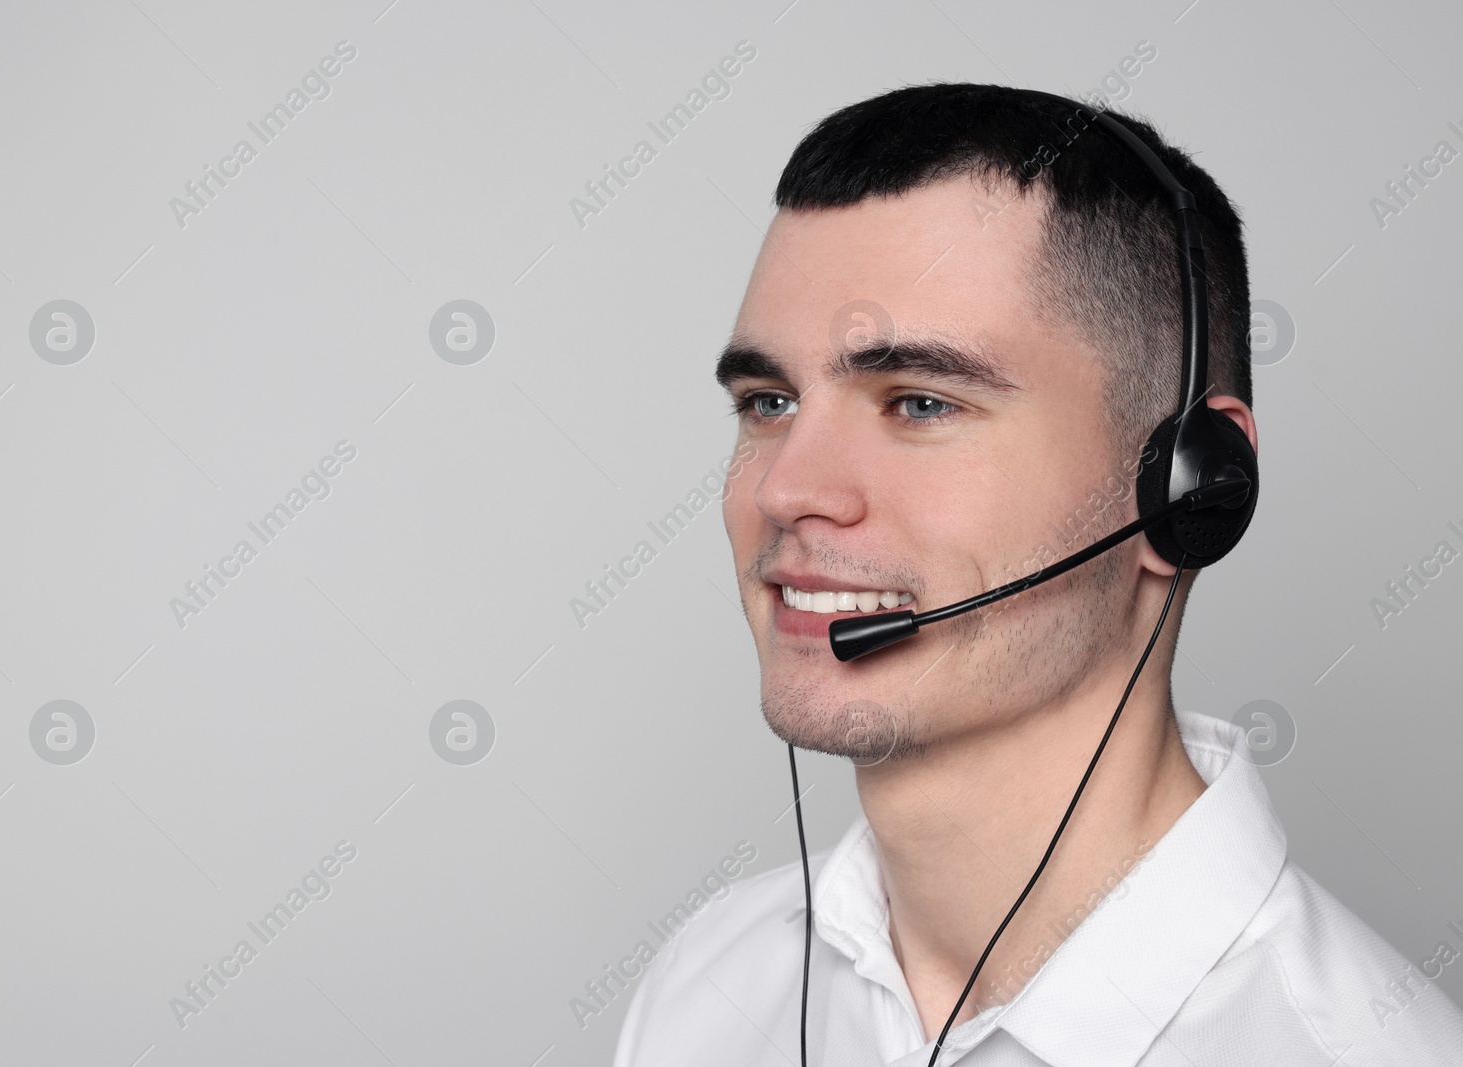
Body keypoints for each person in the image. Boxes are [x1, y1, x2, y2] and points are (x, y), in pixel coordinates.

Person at [612, 83, 1463, 1066]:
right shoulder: (706, 982)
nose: (785, 488)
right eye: (767, 401)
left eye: (920, 402)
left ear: (1186, 486)